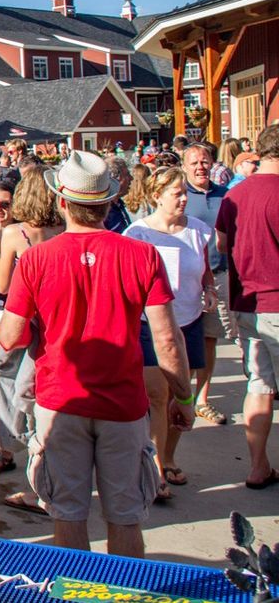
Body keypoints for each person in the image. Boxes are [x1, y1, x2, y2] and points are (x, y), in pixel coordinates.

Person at [0, 151, 193, 558]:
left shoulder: (36, 259)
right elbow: (167, 340)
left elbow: (12, 337)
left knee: (67, 514)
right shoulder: (142, 255)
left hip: (61, 402)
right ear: (107, 203)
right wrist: (185, 397)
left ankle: (78, 598)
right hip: (122, 405)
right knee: (125, 516)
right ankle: (124, 597)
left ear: (62, 202)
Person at [124, 167, 214, 501]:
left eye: (184, 191)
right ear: (156, 196)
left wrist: (209, 289)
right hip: (150, 325)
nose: (183, 198)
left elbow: (203, 270)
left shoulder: (199, 231)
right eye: (175, 192)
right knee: (157, 396)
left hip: (188, 321)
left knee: (182, 393)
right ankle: (158, 465)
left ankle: (171, 455)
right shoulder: (138, 234)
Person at [0, 167, 63, 513]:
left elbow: (2, 285)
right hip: (54, 320)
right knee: (39, 391)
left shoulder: (16, 234)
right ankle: (36, 452)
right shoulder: (64, 230)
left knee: (6, 381)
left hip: (20, 317)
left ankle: (17, 442)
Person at [215, 123, 279, 489]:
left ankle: (258, 466)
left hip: (246, 301)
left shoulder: (235, 196)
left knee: (258, 385)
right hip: (275, 299)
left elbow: (222, 245)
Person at [182, 142, 233, 426]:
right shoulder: (179, 196)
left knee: (210, 338)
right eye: (194, 163)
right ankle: (182, 395)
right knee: (183, 338)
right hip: (186, 280)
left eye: (205, 162)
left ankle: (203, 398)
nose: (201, 167)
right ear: (184, 167)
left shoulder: (226, 195)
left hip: (218, 274)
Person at [103, 157, 132, 234]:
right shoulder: (103, 211)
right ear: (115, 178)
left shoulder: (119, 204)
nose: (131, 178)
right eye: (127, 174)